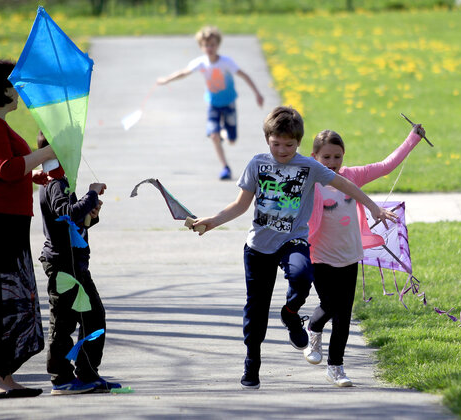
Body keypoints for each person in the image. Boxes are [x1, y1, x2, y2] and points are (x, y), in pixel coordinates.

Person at [191, 106, 397, 390]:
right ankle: (252, 361)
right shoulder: (257, 164)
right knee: (256, 309)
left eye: (289, 145)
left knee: (302, 277)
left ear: (298, 143)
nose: (282, 150)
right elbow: (240, 204)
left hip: (293, 241)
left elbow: (345, 183)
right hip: (259, 247)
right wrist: (212, 221)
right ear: (267, 139)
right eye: (276, 144)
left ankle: (290, 314)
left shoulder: (309, 167)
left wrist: (373, 207)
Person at [303, 123, 426, 387]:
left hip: (349, 256)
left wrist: (412, 139)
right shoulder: (310, 182)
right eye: (326, 157)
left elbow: (385, 166)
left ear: (343, 155)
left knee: (344, 315)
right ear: (315, 158)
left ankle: (336, 367)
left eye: (337, 156)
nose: (333, 162)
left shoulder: (352, 177)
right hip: (320, 256)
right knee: (330, 304)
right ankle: (312, 327)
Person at [0, 59, 56, 399]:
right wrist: (46, 152)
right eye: (14, 83)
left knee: (13, 298)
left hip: (11, 219)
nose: (19, 89)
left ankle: (3, 375)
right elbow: (5, 169)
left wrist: (38, 174)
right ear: (1, 89)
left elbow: (12, 171)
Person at [37, 133, 120, 395]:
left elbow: (74, 223)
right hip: (62, 267)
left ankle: (87, 373)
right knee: (63, 322)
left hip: (76, 265)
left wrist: (90, 214)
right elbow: (65, 214)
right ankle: (60, 378)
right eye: (72, 150)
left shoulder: (64, 182)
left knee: (94, 318)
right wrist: (91, 194)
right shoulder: (54, 183)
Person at [156, 25, 264, 181]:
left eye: (212, 44)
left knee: (232, 140)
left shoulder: (226, 62)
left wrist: (257, 94)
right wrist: (166, 80)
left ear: (217, 45)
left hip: (229, 104)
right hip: (213, 105)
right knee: (213, 135)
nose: (209, 48)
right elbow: (183, 72)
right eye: (206, 45)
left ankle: (223, 133)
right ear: (201, 47)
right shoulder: (201, 63)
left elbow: (244, 75)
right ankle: (225, 167)